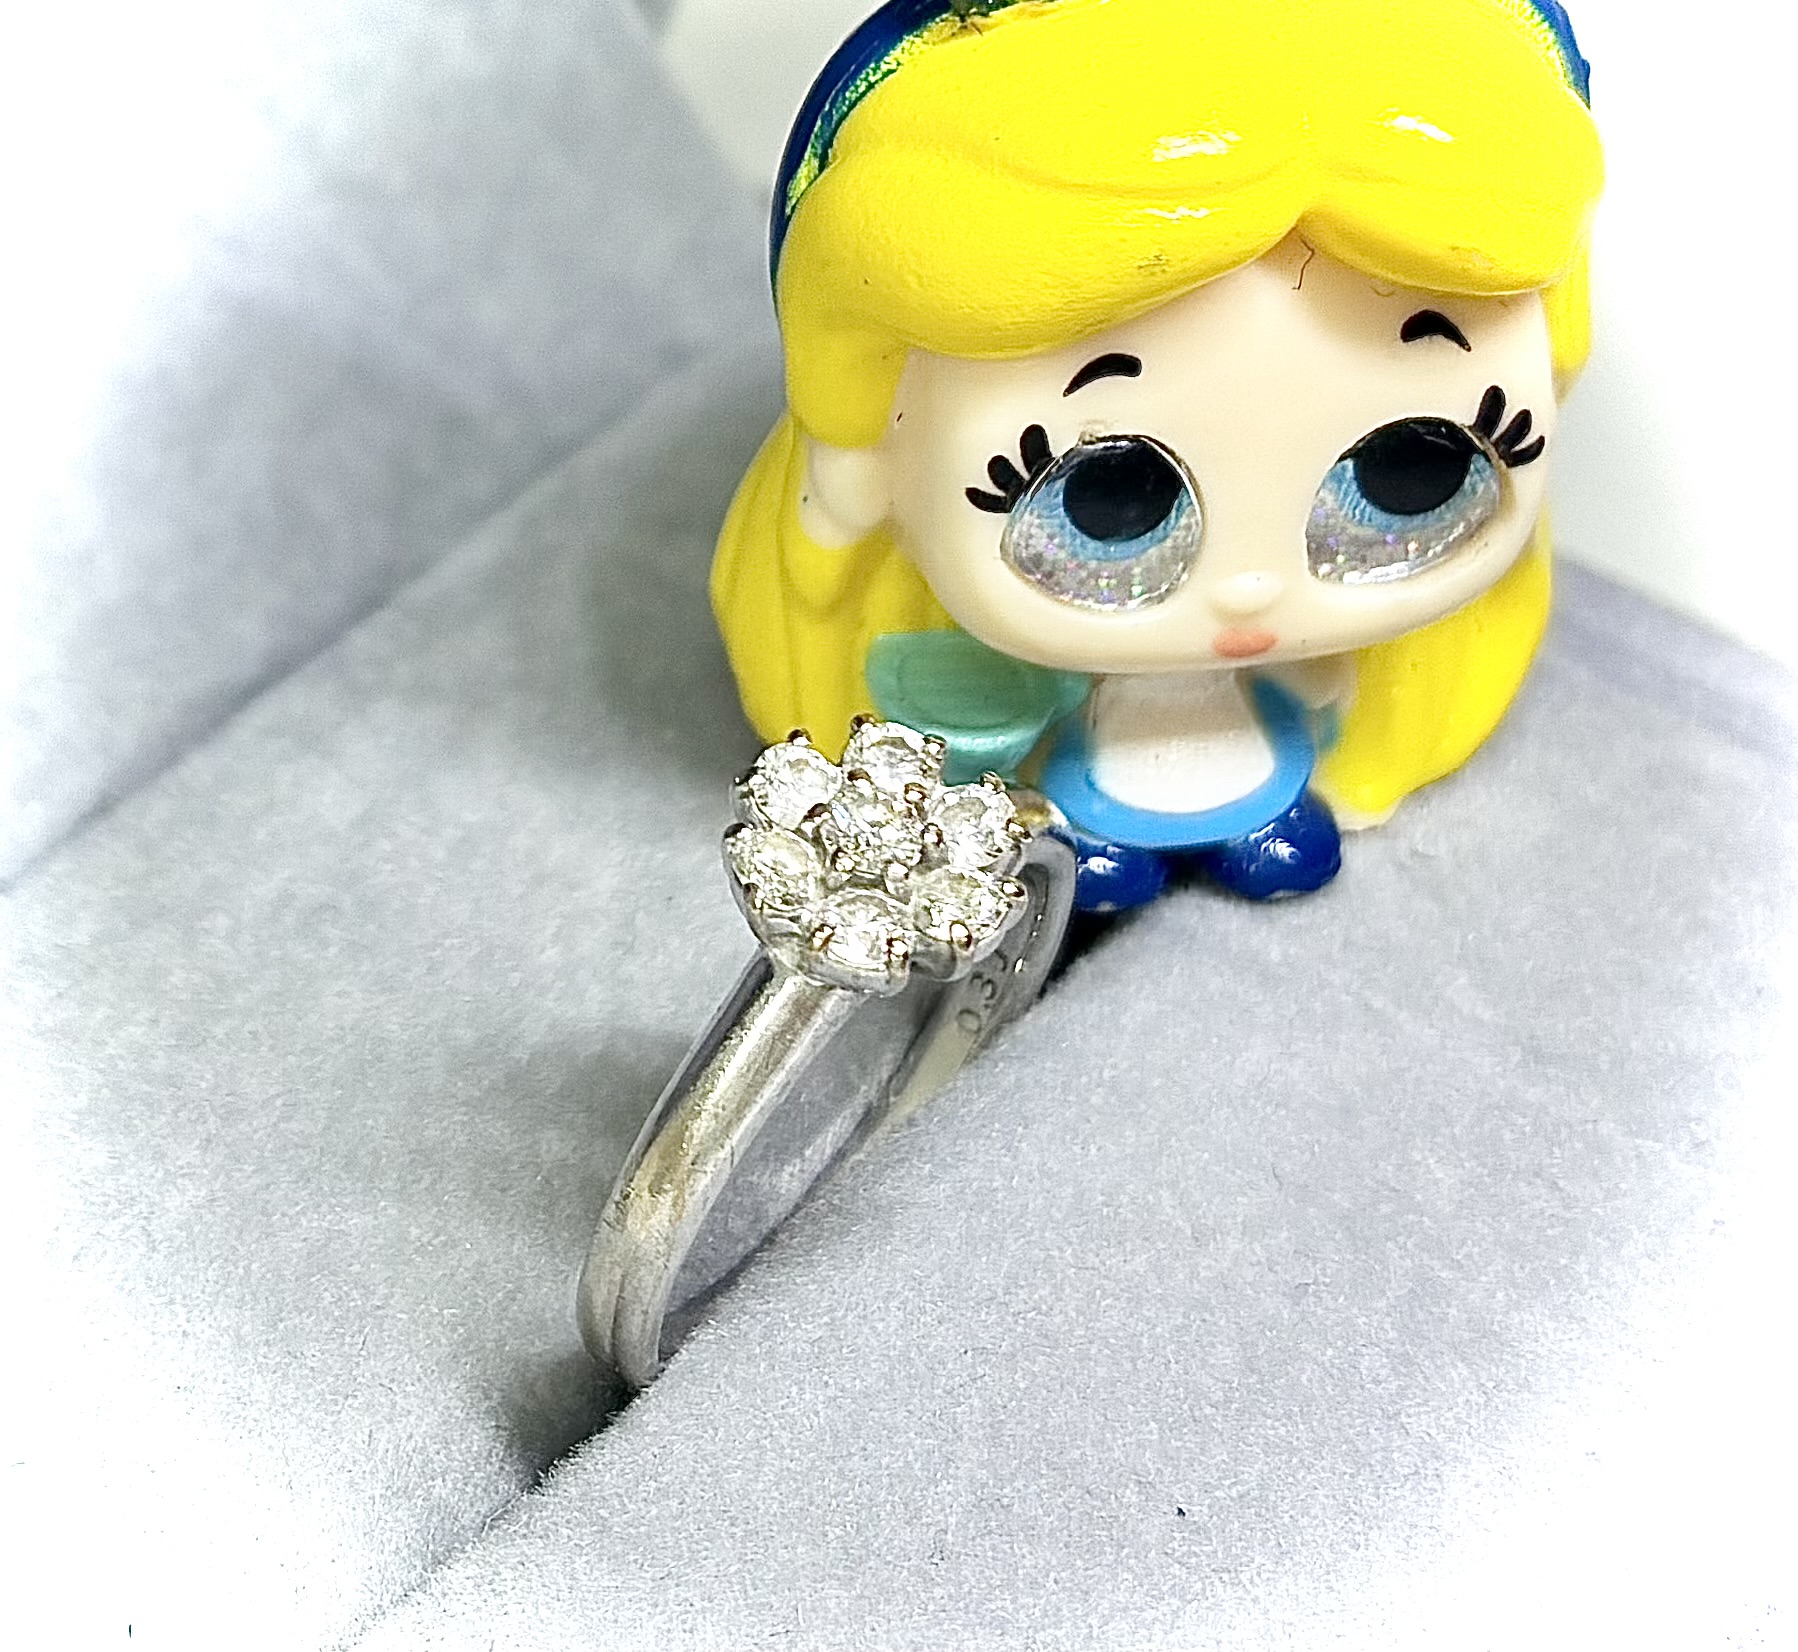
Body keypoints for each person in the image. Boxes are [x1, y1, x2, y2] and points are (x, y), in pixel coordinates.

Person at [712, 0, 1603, 910]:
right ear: (865, 466)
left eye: (1412, 476)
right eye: (1104, 501)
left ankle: (1254, 829)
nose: (1248, 592)